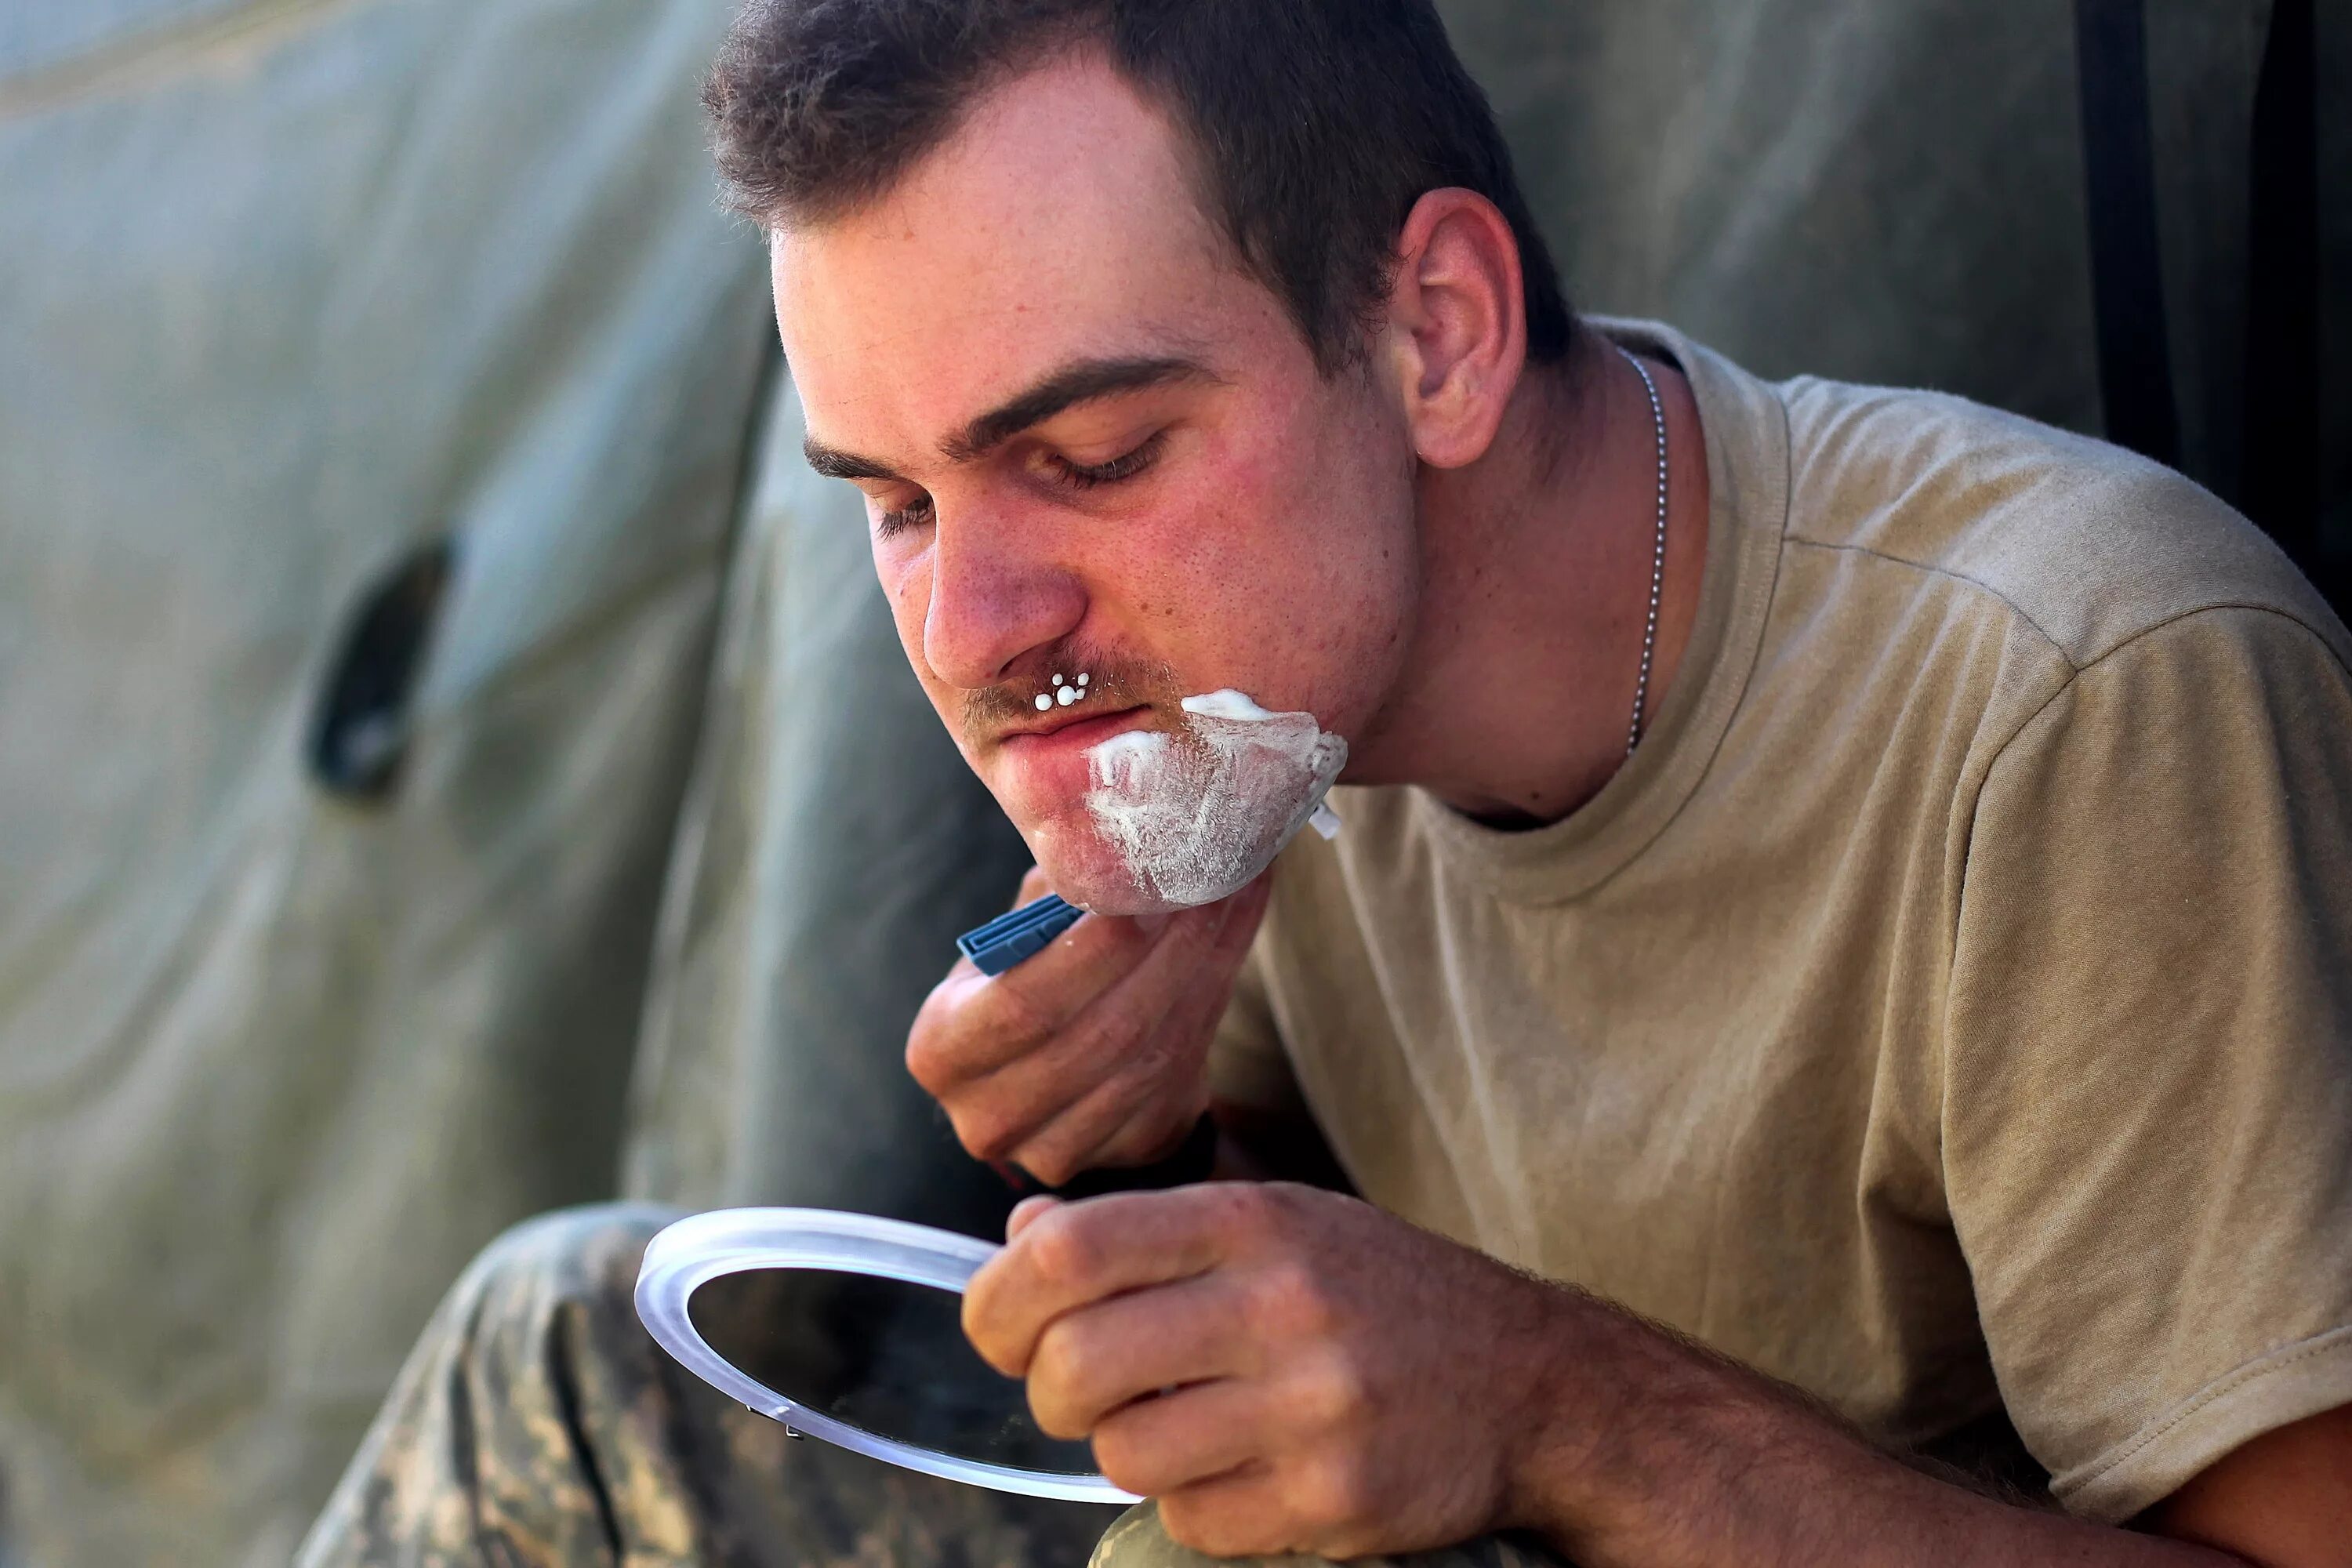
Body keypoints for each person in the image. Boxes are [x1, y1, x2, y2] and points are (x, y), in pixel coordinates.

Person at [299, 1, 2352, 1564]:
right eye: (896, 503)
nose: (975, 629)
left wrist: (1558, 1405)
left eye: (1093, 458)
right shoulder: (1246, 728)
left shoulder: (2073, 684)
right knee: (574, 1343)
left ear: (1439, 335)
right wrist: (1126, 1134)